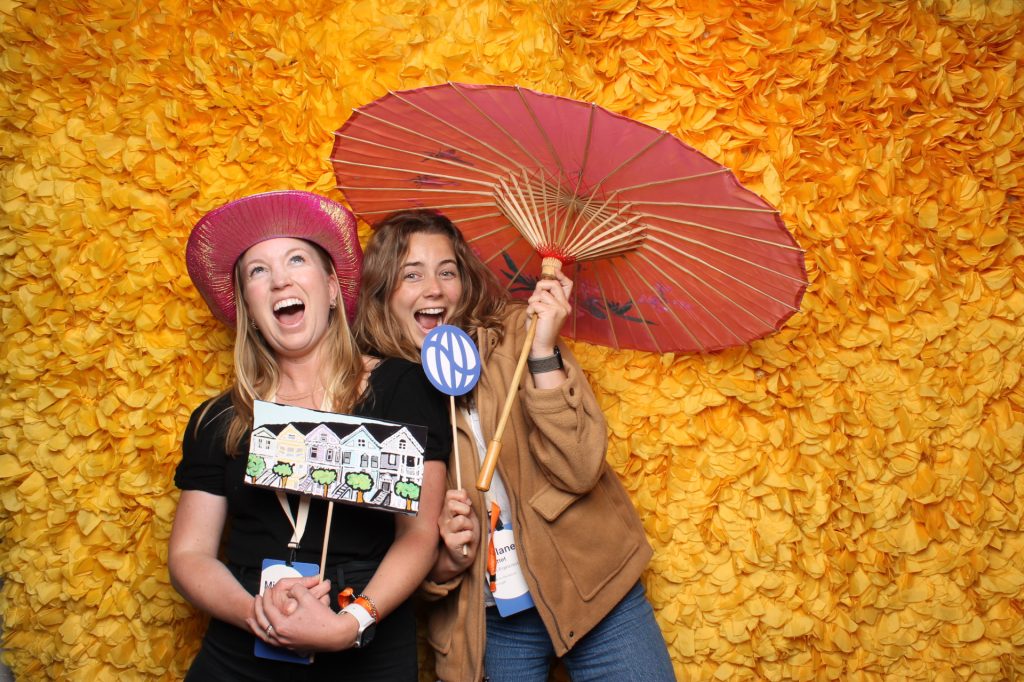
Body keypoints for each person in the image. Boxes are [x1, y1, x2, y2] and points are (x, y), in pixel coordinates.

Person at [353, 209, 675, 681]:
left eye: (447, 271)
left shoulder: (520, 335)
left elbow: (582, 467)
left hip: (591, 588)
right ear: (382, 292)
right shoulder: (374, 393)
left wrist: (543, 353)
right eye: (411, 274)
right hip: (487, 620)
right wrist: (442, 566)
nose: (434, 289)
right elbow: (377, 552)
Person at [169, 191, 450, 681]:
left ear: (331, 285)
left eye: (296, 259)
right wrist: (255, 612)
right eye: (257, 271)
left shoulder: (402, 388)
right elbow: (189, 554)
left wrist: (352, 623)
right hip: (244, 643)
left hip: (366, 637)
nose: (280, 279)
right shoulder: (218, 419)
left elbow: (420, 533)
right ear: (246, 305)